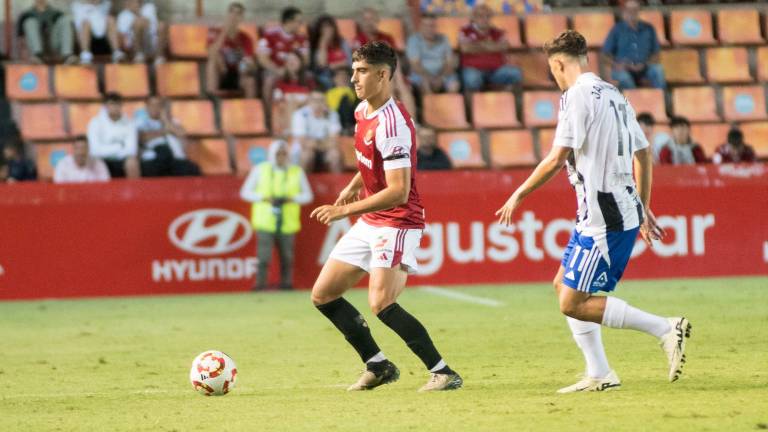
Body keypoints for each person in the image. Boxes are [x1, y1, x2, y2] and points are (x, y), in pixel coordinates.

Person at [495, 30, 690, 393]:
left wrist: (518, 194)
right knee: (562, 285)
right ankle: (599, 372)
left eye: (552, 69)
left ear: (558, 64)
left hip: (605, 215)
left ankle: (665, 328)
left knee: (572, 302)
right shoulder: (615, 94)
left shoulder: (575, 96)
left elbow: (556, 158)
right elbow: (643, 155)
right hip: (613, 209)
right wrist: (643, 207)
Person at [309, 41, 462, 392]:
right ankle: (377, 365)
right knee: (323, 294)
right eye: (353, 70)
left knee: (381, 302)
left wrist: (343, 210)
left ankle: (443, 372)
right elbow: (371, 161)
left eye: (361, 71)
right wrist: (352, 184)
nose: (353, 78)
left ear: (382, 75)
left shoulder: (393, 124)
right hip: (372, 219)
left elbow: (398, 190)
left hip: (398, 220)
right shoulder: (363, 110)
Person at [240, 140, 313, 291]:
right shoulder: (260, 170)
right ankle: (260, 285)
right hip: (265, 221)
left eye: (284, 154)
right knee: (263, 257)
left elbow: (308, 196)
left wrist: (291, 199)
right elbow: (245, 192)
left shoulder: (296, 171)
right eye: (278, 154)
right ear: (272, 155)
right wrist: (264, 198)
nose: (281, 157)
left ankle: (286, 284)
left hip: (287, 221)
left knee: (287, 257)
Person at [352, 7, 417, 120]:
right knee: (388, 86)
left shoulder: (386, 38)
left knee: (403, 87)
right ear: (361, 23)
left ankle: (412, 122)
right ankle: (392, 123)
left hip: (391, 73)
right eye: (366, 20)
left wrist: (397, 78)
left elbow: (394, 58)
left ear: (377, 21)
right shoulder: (358, 40)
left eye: (372, 19)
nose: (369, 23)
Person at [602, 0, 665, 90]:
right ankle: (634, 102)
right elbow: (605, 55)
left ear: (639, 11)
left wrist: (644, 64)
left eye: (635, 9)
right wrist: (617, 64)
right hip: (623, 68)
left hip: (644, 67)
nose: (632, 12)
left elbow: (656, 53)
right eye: (629, 10)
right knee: (624, 77)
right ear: (624, 11)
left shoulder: (649, 29)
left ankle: (662, 101)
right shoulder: (617, 29)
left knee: (658, 70)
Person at [458, 4, 522, 92]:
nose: (484, 19)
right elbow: (465, 48)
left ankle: (509, 103)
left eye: (487, 16)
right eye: (480, 16)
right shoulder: (465, 31)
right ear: (474, 18)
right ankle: (473, 104)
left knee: (515, 73)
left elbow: (504, 46)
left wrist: (476, 45)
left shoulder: (497, 32)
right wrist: (490, 45)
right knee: (472, 79)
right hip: (473, 68)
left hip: (496, 70)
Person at [134, 95, 200, 177]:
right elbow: (143, 138)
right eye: (152, 105)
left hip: (174, 159)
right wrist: (165, 131)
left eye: (158, 105)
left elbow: (181, 133)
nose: (155, 108)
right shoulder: (140, 122)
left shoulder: (172, 121)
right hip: (152, 159)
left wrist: (165, 119)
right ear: (146, 107)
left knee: (193, 169)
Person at [257, 7, 309, 107]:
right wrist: (277, 70)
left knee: (311, 78)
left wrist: (292, 69)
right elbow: (262, 59)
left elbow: (305, 60)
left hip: (295, 70)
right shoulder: (269, 35)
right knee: (268, 81)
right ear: (289, 21)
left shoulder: (302, 38)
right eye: (298, 21)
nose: (301, 24)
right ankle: (268, 115)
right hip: (274, 70)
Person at [206, 2, 256, 98]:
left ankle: (249, 110)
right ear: (227, 15)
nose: (234, 16)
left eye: (238, 14)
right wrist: (224, 32)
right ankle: (211, 102)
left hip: (238, 74)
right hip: (220, 73)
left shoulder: (246, 38)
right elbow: (211, 54)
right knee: (212, 63)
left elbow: (249, 62)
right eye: (231, 12)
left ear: (241, 18)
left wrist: (246, 65)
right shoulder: (214, 32)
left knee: (250, 80)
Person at [87, 92, 140, 178]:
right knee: (93, 161)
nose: (114, 107)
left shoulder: (130, 124)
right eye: (111, 104)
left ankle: (134, 190)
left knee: (132, 162)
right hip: (101, 160)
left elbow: (131, 150)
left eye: (117, 104)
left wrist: (106, 149)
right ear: (105, 106)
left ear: (121, 106)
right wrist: (119, 146)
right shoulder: (95, 123)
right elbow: (95, 150)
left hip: (122, 160)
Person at [406, 13, 460, 94]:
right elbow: (415, 65)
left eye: (432, 26)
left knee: (454, 85)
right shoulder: (413, 40)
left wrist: (441, 78)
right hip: (421, 75)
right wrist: (429, 78)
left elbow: (449, 63)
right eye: (426, 25)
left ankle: (448, 106)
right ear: (420, 26)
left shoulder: (444, 39)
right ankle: (431, 106)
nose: (429, 29)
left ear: (436, 27)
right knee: (425, 84)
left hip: (442, 74)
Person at [291, 90, 342, 173]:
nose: (318, 104)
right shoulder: (300, 114)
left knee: (335, 155)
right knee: (307, 155)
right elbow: (303, 142)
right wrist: (323, 143)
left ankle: (339, 185)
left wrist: (315, 144)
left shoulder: (332, 114)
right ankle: (303, 184)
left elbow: (334, 141)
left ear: (325, 102)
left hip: (325, 150)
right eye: (315, 100)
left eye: (321, 100)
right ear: (309, 102)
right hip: (304, 151)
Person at [309, 15, 351, 90]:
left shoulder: (342, 42)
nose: (327, 30)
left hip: (344, 71)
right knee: (324, 79)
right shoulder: (317, 45)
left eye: (329, 26)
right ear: (319, 30)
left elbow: (349, 61)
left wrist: (333, 65)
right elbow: (322, 65)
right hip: (327, 74)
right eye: (324, 27)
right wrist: (323, 43)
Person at [325, 67, 357, 134]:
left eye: (345, 76)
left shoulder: (357, 93)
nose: (342, 78)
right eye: (339, 76)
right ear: (334, 79)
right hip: (334, 121)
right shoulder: (328, 93)